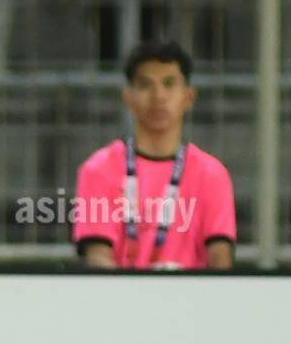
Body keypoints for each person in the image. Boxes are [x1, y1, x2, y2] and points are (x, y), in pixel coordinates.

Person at [73, 41, 236, 271]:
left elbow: (220, 256)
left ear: (188, 97)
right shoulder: (99, 169)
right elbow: (97, 255)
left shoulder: (212, 174)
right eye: (145, 84)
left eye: (169, 84)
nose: (158, 96)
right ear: (128, 97)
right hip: (119, 292)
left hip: (191, 292)